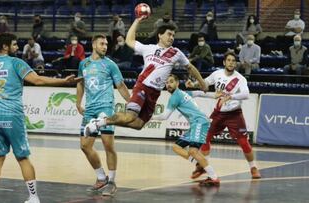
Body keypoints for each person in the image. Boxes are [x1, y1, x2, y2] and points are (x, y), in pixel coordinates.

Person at [0, 33, 82, 203]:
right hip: (13, 117)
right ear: (5, 46)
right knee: (22, 157)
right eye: (14, 44)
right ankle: (33, 197)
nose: (17, 47)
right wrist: (64, 82)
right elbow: (38, 80)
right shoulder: (16, 63)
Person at [84, 16, 207, 136]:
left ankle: (104, 120)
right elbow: (129, 41)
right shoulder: (148, 48)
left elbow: (190, 67)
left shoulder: (176, 53)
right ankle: (99, 123)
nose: (172, 37)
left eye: (173, 35)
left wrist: (202, 83)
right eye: (169, 34)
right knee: (130, 116)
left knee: (138, 125)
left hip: (155, 93)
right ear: (160, 35)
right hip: (142, 86)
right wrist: (137, 20)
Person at [185, 52, 261, 180]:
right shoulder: (217, 74)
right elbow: (206, 83)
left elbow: (246, 94)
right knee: (205, 137)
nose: (231, 62)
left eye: (233, 61)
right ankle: (204, 167)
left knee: (243, 142)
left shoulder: (240, 79)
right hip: (219, 113)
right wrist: (194, 85)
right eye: (229, 60)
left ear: (235, 64)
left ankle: (253, 167)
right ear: (224, 62)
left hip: (234, 114)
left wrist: (231, 96)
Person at [76, 34, 131, 196]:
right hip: (90, 109)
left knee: (108, 145)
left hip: (105, 108)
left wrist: (132, 103)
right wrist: (78, 103)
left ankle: (112, 181)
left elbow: (120, 85)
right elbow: (80, 83)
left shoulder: (110, 65)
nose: (105, 47)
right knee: (85, 146)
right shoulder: (83, 63)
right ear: (93, 45)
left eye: (106, 44)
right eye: (102, 44)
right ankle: (101, 177)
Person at [151, 74, 220, 186]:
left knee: (193, 151)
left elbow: (164, 116)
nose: (168, 84)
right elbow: (198, 93)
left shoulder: (175, 97)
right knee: (176, 147)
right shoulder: (183, 93)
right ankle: (199, 165)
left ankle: (214, 177)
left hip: (200, 122)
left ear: (177, 83)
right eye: (167, 82)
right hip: (195, 124)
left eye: (171, 81)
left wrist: (150, 118)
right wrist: (214, 95)